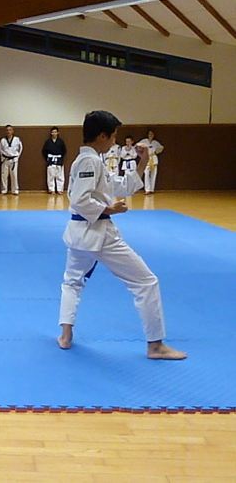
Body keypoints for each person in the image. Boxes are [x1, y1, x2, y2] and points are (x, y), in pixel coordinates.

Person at [57, 110, 186, 360]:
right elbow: (80, 200)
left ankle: (65, 335)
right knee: (146, 282)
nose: (115, 140)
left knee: (72, 281)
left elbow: (121, 186)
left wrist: (143, 160)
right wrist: (110, 209)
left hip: (79, 236)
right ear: (102, 135)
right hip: (99, 235)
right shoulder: (89, 161)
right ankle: (155, 346)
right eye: (113, 136)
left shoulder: (91, 160)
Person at [42, 126, 67, 195]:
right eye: (53, 132)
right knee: (51, 175)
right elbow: (44, 151)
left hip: (59, 159)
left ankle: (59, 189)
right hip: (50, 160)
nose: (54, 133)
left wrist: (61, 158)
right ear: (51, 133)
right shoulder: (48, 142)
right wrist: (47, 158)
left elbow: (64, 151)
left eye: (55, 132)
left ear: (58, 133)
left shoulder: (61, 142)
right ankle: (51, 189)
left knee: (60, 176)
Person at [0, 124, 22, 195]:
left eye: (10, 130)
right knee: (4, 175)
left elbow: (20, 148)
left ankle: (15, 190)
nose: (8, 131)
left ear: (12, 131)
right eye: (7, 130)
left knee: (14, 175)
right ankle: (4, 189)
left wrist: (17, 157)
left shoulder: (17, 139)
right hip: (5, 159)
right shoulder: (3, 140)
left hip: (14, 159)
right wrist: (3, 158)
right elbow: (0, 150)